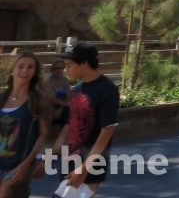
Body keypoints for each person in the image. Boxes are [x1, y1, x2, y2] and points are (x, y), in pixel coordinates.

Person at [51, 42, 118, 196]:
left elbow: (107, 130)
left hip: (90, 165)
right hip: (69, 161)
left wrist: (84, 168)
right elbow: (69, 126)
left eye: (69, 65)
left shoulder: (107, 89)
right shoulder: (79, 88)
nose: (65, 70)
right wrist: (48, 159)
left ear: (85, 63)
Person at [0, 51, 50, 197]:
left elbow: (44, 133)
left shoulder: (38, 99)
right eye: (20, 66)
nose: (24, 71)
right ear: (12, 71)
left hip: (18, 164)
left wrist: (27, 164)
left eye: (30, 67)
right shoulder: (2, 98)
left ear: (35, 72)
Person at [50, 60, 70, 130]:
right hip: (51, 108)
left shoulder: (65, 80)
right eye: (56, 68)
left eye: (61, 68)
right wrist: (67, 105)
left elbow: (68, 96)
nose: (59, 70)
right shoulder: (48, 82)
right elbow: (53, 100)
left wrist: (61, 109)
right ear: (52, 70)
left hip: (63, 107)